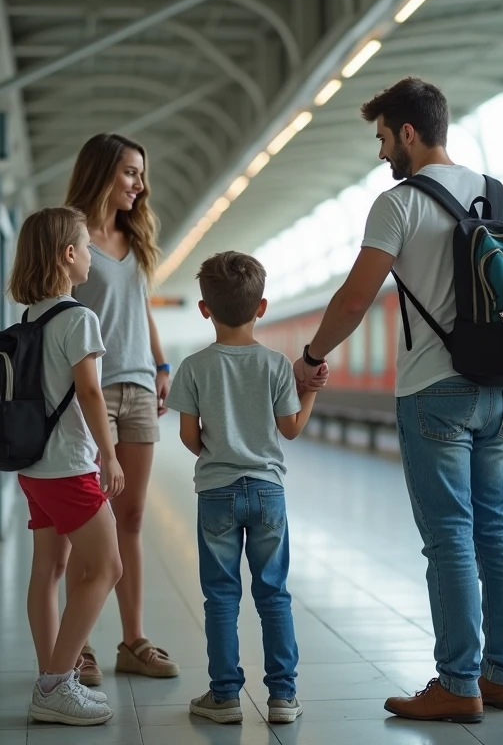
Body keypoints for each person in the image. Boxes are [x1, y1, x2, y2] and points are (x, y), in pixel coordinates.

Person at [292, 77, 503, 723]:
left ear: (407, 131)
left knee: (450, 537)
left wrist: (311, 358)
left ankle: (458, 682)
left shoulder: (399, 204)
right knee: (498, 530)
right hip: (502, 390)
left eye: (381, 138)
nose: (380, 155)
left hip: (434, 392)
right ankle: (502, 676)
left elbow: (353, 300)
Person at [165, 252, 323, 726]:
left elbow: (189, 437)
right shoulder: (275, 365)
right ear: (262, 307)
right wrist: (310, 389)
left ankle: (225, 696)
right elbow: (291, 429)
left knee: (221, 596)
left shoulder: (193, 367)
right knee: (273, 594)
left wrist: (218, 456)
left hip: (216, 492)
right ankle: (283, 697)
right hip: (269, 491)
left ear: (203, 309)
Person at [66, 132, 179, 683]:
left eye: (141, 173)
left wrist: (160, 366)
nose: (141, 184)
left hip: (137, 387)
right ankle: (79, 645)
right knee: (89, 522)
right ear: (104, 172)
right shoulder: (71, 237)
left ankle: (132, 642)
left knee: (131, 518)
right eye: (131, 172)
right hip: (91, 390)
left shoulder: (134, 239)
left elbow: (140, 308)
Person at [7, 206, 126, 726]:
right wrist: (111, 453)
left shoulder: (30, 319)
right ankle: (56, 684)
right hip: (69, 467)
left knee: (48, 570)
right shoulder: (78, 317)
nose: (92, 254)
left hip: (35, 468)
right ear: (68, 255)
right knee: (106, 566)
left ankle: (53, 678)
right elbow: (91, 390)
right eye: (85, 244)